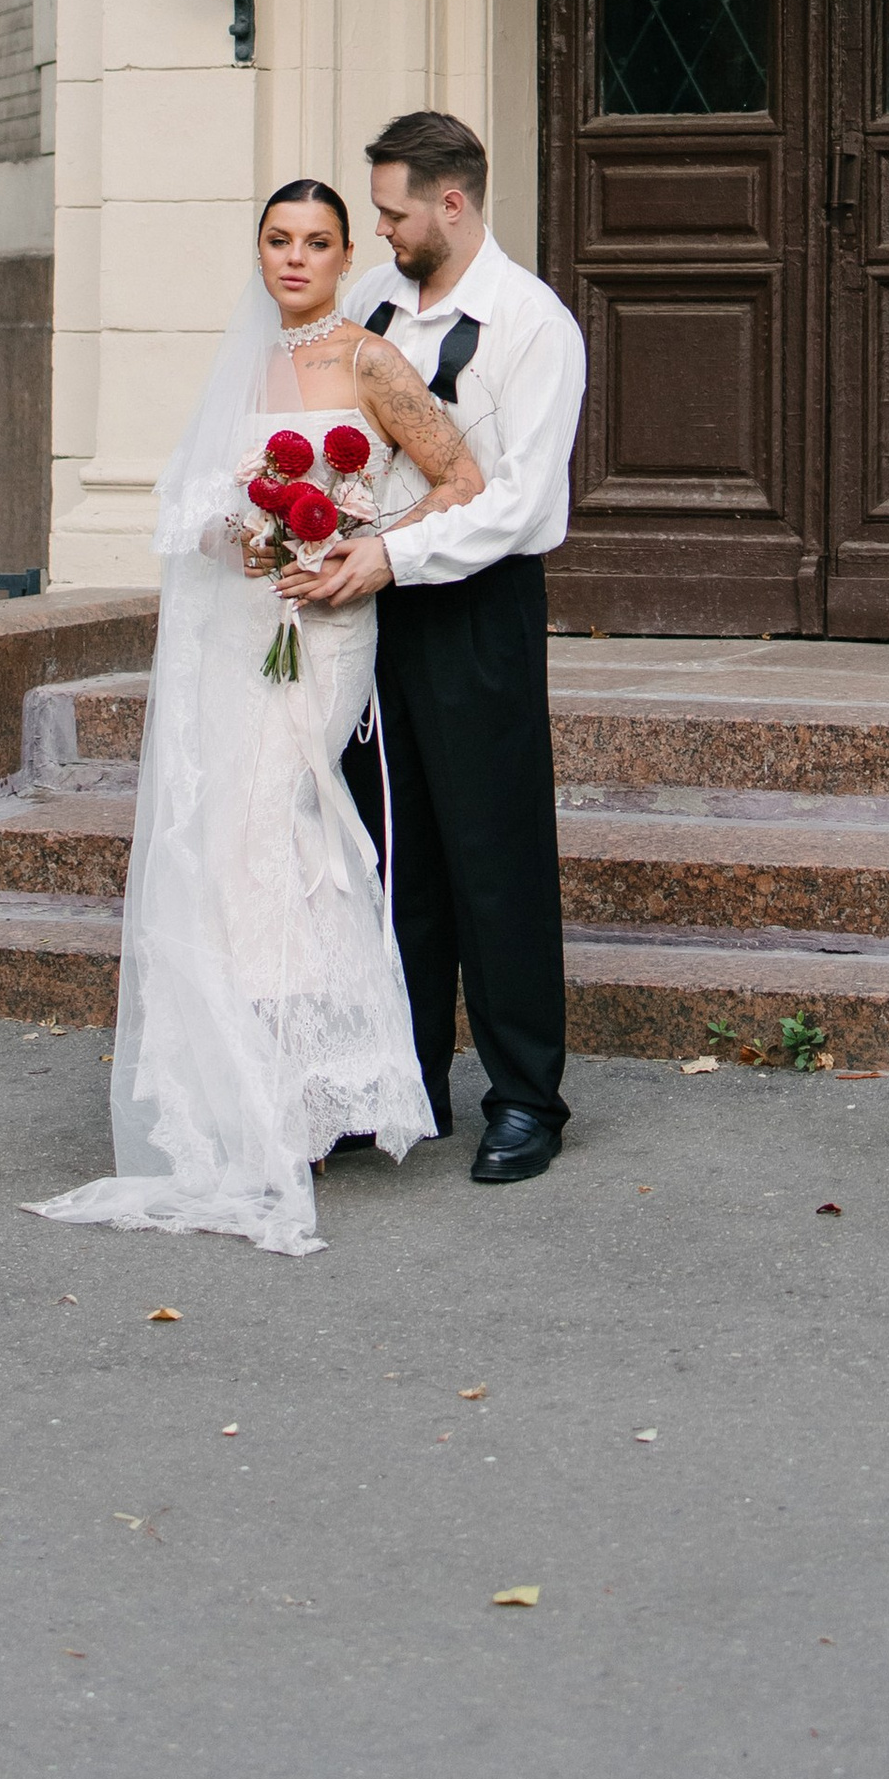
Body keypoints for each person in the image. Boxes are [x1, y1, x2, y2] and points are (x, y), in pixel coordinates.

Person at [28, 179, 481, 1257]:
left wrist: (365, 546)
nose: (295, 258)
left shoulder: (368, 361)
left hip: (327, 631)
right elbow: (205, 505)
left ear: (340, 258)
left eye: (318, 242)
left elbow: (461, 476)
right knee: (226, 838)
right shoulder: (245, 361)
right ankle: (247, 1084)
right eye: (278, 240)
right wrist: (244, 535)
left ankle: (308, 1085)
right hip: (243, 627)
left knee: (289, 825)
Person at [275, 110, 587, 1186]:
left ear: (450, 204)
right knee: (390, 851)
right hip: (367, 613)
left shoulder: (534, 326)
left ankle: (525, 1099)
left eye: (394, 212)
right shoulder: (370, 307)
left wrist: (390, 559)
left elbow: (526, 506)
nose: (382, 229)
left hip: (477, 605)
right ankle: (402, 1081)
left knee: (492, 856)